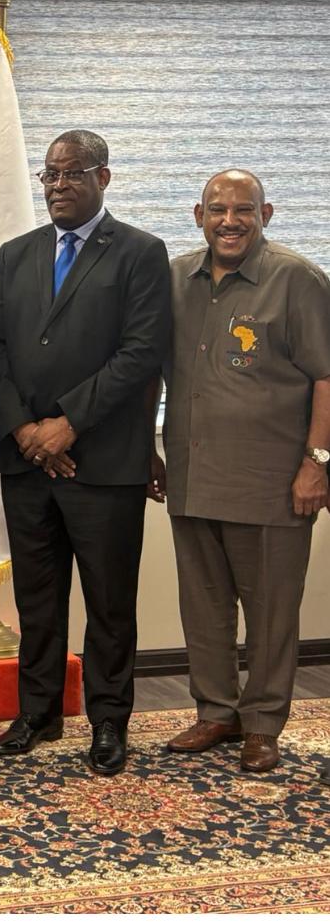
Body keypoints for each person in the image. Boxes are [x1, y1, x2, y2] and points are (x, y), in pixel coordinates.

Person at [0, 129, 170, 775]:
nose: (58, 185)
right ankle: (38, 712)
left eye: (72, 173)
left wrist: (68, 425)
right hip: (26, 462)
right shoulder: (16, 254)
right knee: (37, 598)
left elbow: (140, 353)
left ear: (103, 177)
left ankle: (108, 721)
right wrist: (26, 430)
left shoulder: (140, 253)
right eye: (50, 175)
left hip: (104, 463)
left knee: (109, 603)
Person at [153, 169, 330, 772]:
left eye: (243, 210)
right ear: (197, 215)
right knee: (203, 606)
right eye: (218, 210)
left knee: (272, 612)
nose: (229, 221)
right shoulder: (174, 279)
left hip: (272, 481)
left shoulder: (296, 279)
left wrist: (317, 463)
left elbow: (327, 376)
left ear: (266, 214)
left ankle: (262, 724)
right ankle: (216, 712)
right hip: (193, 473)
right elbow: (149, 365)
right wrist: (146, 449)